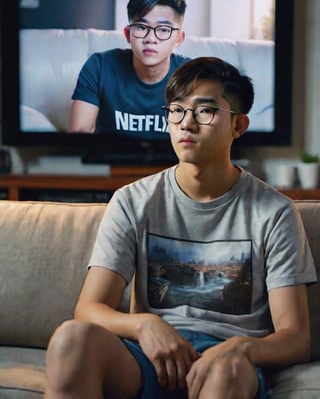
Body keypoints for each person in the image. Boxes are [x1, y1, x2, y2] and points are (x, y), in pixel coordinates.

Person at [45, 57, 317, 399]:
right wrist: (144, 324)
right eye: (176, 110)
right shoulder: (132, 201)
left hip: (227, 362)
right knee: (73, 339)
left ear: (239, 125)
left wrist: (240, 350)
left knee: (228, 372)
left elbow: (295, 337)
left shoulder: (275, 213)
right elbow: (88, 309)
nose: (186, 123)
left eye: (205, 111)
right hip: (148, 357)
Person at [68, 0, 188, 138]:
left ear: (178, 39)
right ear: (127, 34)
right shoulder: (99, 67)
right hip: (112, 160)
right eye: (141, 27)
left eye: (163, 29)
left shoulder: (193, 77)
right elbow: (78, 138)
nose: (151, 39)